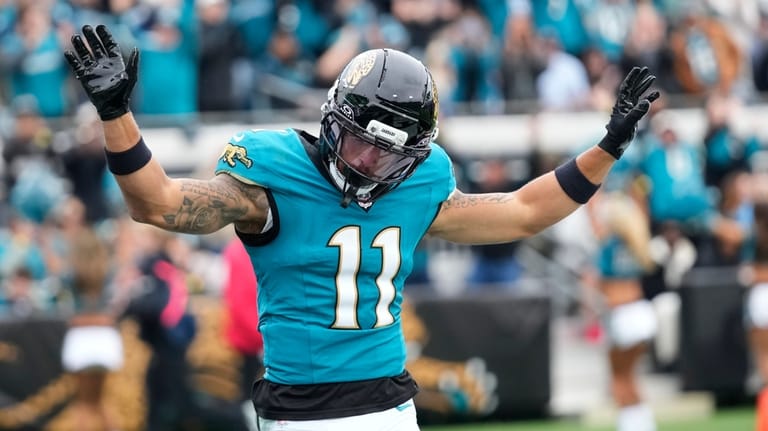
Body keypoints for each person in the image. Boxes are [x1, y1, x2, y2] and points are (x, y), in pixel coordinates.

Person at [64, 24, 659, 431]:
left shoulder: (423, 183)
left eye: (390, 154)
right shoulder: (270, 171)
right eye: (359, 141)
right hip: (297, 409)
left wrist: (607, 147)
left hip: (388, 405)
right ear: (331, 119)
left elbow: (525, 210)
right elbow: (159, 205)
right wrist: (116, 114)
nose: (369, 163)